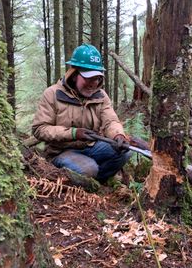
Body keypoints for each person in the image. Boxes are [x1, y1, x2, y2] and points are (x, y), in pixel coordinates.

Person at [32, 44, 131, 185]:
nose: (93, 83)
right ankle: (87, 179)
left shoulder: (101, 96)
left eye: (97, 78)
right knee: (88, 169)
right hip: (60, 151)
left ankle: (97, 183)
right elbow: (39, 129)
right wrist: (73, 133)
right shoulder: (52, 94)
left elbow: (111, 121)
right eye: (88, 78)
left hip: (91, 147)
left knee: (125, 152)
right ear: (74, 75)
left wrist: (118, 135)